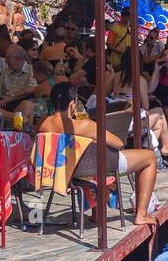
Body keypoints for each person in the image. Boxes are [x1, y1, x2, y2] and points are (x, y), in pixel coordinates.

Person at [38, 82, 158, 227]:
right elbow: (119, 143)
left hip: (63, 171)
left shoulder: (42, 124)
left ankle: (97, 215)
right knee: (149, 157)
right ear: (72, 104)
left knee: (92, 157)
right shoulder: (83, 125)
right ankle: (142, 215)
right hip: (91, 168)